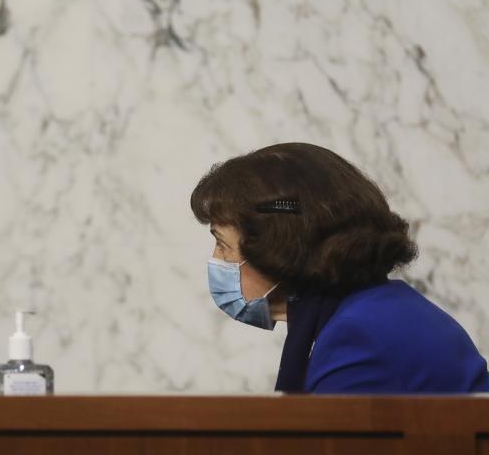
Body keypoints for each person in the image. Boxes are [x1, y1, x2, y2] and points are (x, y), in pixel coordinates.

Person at [190, 142, 489, 393]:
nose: (216, 259)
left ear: (279, 250)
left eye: (223, 245)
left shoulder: (359, 337)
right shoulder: (381, 308)